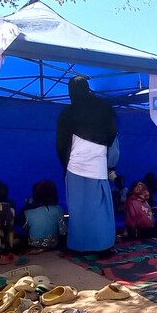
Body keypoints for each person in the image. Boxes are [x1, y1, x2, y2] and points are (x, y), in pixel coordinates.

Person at [56, 76, 118, 254]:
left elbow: (61, 144)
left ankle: (80, 246)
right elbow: (113, 134)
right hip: (98, 161)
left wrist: (65, 164)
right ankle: (104, 245)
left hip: (75, 163)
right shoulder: (104, 108)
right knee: (100, 206)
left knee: (78, 207)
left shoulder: (67, 113)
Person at [22, 180, 65, 250]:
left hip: (33, 245)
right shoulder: (58, 209)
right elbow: (62, 231)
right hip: (53, 244)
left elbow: (24, 229)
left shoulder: (28, 211)